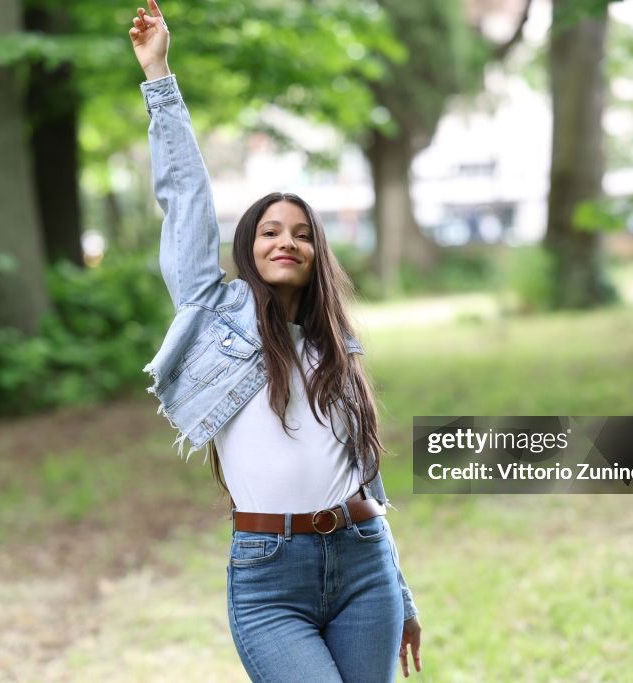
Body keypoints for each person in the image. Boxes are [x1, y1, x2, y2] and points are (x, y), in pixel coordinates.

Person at [129, 2, 423, 680]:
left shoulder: (339, 347)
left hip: (365, 566)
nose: (286, 241)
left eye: (301, 233)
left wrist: (402, 591)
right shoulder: (215, 315)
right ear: (249, 247)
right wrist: (159, 77)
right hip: (270, 579)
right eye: (269, 231)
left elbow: (361, 474)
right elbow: (185, 200)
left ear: (317, 254)